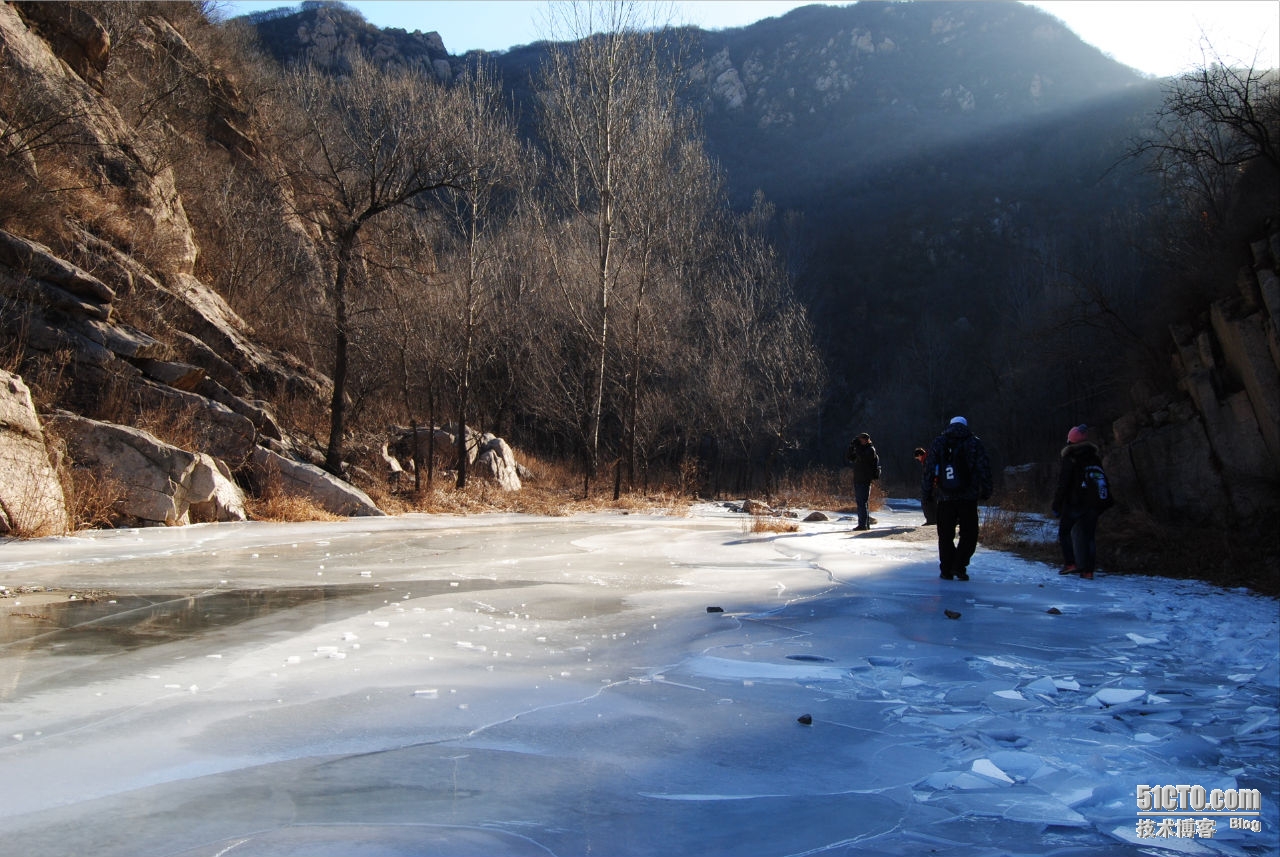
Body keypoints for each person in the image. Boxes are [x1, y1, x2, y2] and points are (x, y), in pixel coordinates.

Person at [921, 416, 992, 580]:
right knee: (969, 533)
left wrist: (927, 493)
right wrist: (986, 490)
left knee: (945, 535)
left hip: (945, 496)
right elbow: (984, 468)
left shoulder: (939, 442)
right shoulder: (974, 442)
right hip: (968, 496)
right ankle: (959, 566)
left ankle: (946, 569)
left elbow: (929, 469)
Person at [1052, 424, 1108, 580]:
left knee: (1064, 532)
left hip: (1075, 503)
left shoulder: (1071, 458)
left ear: (1070, 441)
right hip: (1094, 504)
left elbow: (1063, 484)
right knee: (1089, 537)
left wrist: (1056, 505)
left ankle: (1070, 563)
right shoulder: (1094, 457)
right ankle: (1088, 571)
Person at [846, 431, 880, 531]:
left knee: (862, 502)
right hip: (858, 479)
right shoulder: (861, 449)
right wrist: (851, 447)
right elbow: (850, 457)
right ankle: (865, 524)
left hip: (865, 479)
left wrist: (858, 448)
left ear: (866, 440)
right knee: (861, 502)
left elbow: (863, 458)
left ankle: (863, 525)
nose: (860, 441)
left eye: (861, 440)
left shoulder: (870, 449)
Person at [914, 446, 937, 525]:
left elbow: (929, 475)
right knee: (932, 502)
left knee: (926, 502)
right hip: (933, 484)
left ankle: (931, 520)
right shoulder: (929, 458)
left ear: (920, 455)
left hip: (932, 484)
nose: (918, 460)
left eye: (918, 458)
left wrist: (927, 486)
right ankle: (933, 520)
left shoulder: (927, 461)